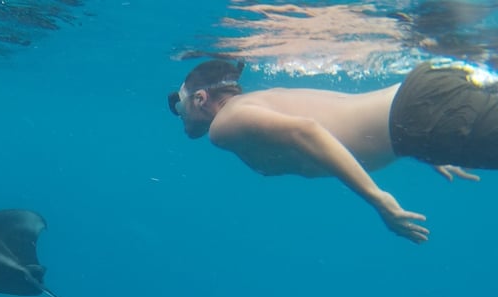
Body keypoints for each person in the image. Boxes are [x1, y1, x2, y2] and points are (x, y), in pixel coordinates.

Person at [167, 59, 498, 243]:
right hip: (423, 107)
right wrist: (425, 150)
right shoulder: (252, 105)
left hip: (422, 115)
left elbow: (306, 130)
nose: (179, 114)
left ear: (200, 99)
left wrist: (377, 199)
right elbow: (345, 121)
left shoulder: (225, 123)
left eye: (179, 104)